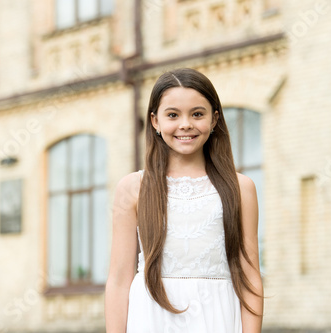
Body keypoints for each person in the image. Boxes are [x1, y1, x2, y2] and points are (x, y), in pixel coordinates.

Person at [105, 68, 263, 332]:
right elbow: (119, 280)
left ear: (214, 120)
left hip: (218, 318)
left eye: (197, 114)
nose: (185, 124)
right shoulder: (134, 188)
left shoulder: (241, 188)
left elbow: (250, 277)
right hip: (151, 318)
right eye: (173, 115)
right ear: (155, 121)